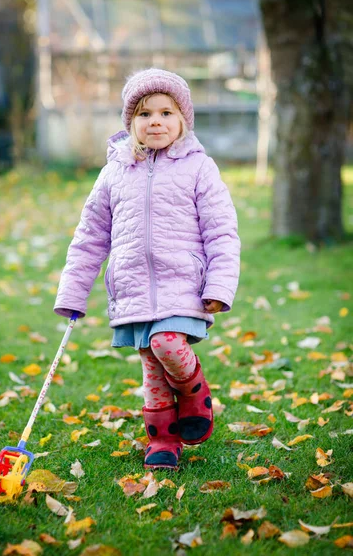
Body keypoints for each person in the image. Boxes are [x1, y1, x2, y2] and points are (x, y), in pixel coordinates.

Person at [54, 69, 240, 469]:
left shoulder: (199, 168)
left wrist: (220, 286)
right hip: (133, 288)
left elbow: (222, 232)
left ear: (182, 120)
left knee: (166, 343)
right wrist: (73, 293)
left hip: (184, 284)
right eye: (144, 114)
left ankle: (193, 391)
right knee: (151, 367)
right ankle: (163, 441)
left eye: (166, 113)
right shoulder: (114, 173)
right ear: (130, 123)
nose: (155, 121)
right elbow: (89, 237)